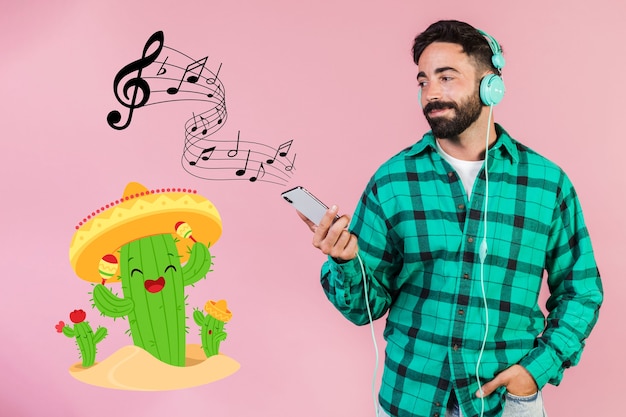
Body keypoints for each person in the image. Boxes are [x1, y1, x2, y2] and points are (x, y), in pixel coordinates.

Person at [298, 20, 603, 417]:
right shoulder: (393, 181)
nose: (432, 94)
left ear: (490, 85)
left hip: (505, 404)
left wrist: (536, 369)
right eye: (423, 81)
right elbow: (364, 310)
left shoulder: (547, 183)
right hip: (410, 398)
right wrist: (344, 262)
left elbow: (582, 291)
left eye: (447, 77)